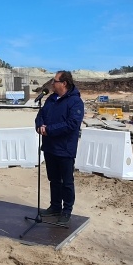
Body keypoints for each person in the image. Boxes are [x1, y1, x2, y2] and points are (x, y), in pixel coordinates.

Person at [35, 70, 85, 225]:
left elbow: (72, 124)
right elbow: (40, 115)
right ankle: (55, 206)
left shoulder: (75, 102)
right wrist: (39, 126)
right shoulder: (50, 99)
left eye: (54, 81)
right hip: (50, 147)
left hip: (65, 148)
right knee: (54, 179)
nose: (52, 83)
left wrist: (49, 130)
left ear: (64, 83)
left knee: (66, 182)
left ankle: (66, 210)